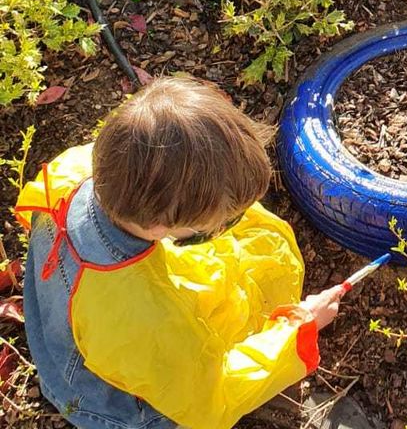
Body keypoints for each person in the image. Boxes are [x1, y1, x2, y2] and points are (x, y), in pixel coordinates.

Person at [15, 75, 344, 429]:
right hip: (113, 406)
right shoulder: (142, 315)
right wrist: (298, 329)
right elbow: (212, 396)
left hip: (61, 339)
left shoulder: (75, 171)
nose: (222, 228)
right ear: (160, 228)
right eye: (214, 225)